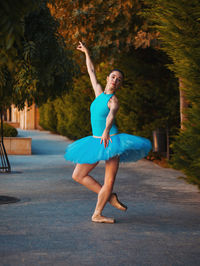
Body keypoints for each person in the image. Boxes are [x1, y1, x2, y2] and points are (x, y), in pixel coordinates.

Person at [64, 41, 152, 224]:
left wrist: (105, 130)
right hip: (96, 140)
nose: (115, 80)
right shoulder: (98, 93)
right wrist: (87, 52)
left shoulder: (114, 100)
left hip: (111, 140)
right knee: (77, 175)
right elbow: (91, 72)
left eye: (118, 80)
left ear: (119, 85)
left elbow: (111, 115)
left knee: (109, 180)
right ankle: (110, 197)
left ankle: (97, 213)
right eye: (113, 77)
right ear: (108, 78)